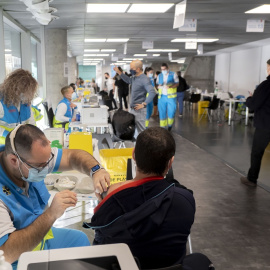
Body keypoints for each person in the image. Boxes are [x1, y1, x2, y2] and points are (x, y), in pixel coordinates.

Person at [84, 127, 213, 270]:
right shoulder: (185, 200)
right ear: (170, 163)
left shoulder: (111, 201)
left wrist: (110, 192)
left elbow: (101, 244)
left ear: (133, 155)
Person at [0, 124, 111, 269]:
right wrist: (51, 214)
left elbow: (72, 156)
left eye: (48, 161)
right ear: (14, 161)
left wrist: (97, 171)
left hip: (40, 240)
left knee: (80, 240)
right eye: (40, 166)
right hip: (16, 259)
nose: (46, 169)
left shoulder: (30, 158)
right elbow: (7, 253)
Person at [240, 59, 270, 187]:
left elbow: (253, 105)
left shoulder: (266, 85)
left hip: (265, 124)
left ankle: (252, 179)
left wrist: (249, 98)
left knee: (257, 152)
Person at [113, 60, 156, 136]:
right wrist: (119, 72)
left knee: (141, 132)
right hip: (133, 109)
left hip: (139, 110)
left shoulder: (144, 79)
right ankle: (136, 146)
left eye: (132, 68)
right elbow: (128, 80)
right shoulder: (135, 78)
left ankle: (143, 147)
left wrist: (144, 104)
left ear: (138, 69)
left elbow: (152, 92)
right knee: (133, 132)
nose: (130, 70)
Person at [0, 69, 37, 145]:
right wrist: (8, 135)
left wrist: (36, 136)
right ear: (12, 88)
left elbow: (31, 121)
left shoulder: (26, 102)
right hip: (3, 145)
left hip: (19, 145)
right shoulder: (1, 102)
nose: (24, 95)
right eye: (22, 91)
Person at [157, 63, 179, 131]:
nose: (163, 70)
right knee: (162, 112)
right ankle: (163, 128)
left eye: (164, 69)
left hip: (171, 97)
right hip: (161, 97)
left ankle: (170, 125)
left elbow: (177, 83)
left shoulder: (173, 74)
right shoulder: (159, 75)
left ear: (167, 68)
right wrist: (158, 86)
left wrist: (170, 86)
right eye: (162, 69)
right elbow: (157, 84)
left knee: (171, 112)